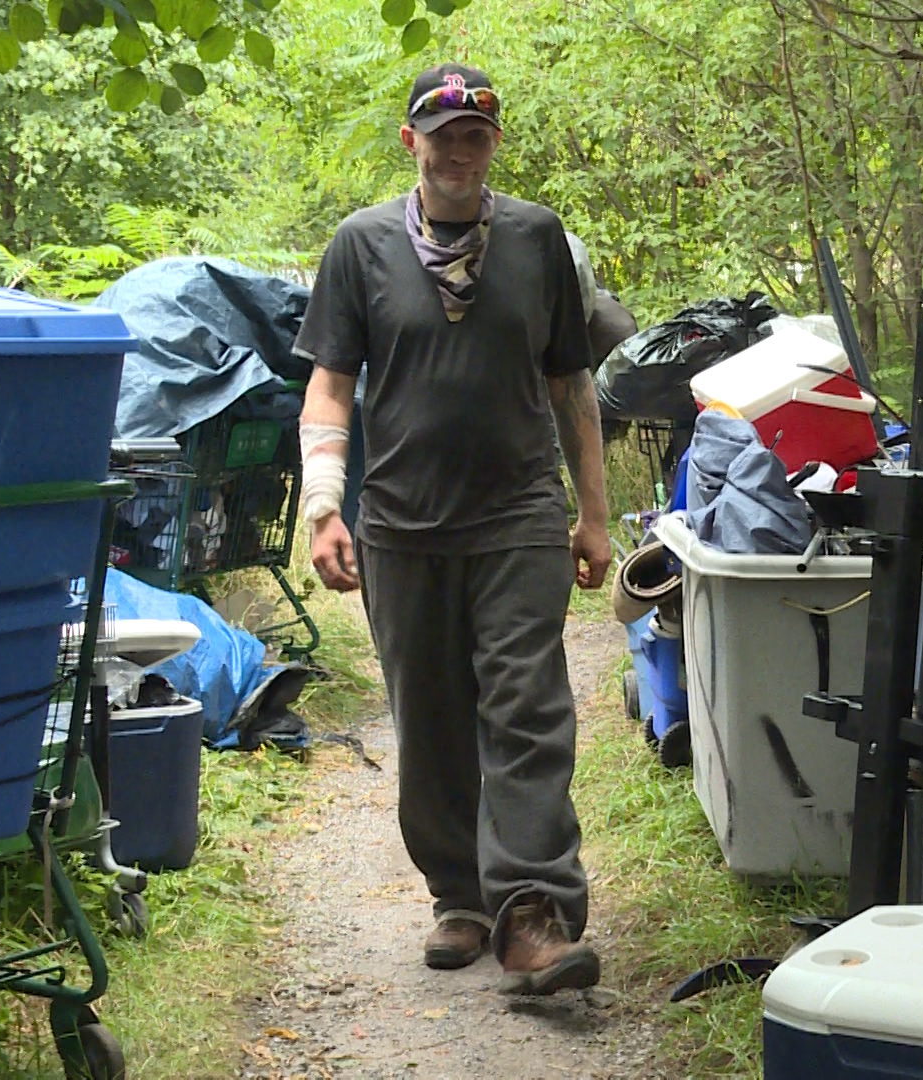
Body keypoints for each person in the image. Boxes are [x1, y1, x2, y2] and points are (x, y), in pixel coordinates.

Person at [292, 62, 612, 996]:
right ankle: (460, 898)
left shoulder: (538, 238)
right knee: (430, 720)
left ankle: (534, 912)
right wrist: (323, 505)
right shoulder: (360, 246)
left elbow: (571, 384)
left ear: (493, 144)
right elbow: (330, 385)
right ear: (412, 143)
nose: (460, 152)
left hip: (519, 518)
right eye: (443, 136)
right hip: (401, 524)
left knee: (526, 709)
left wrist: (594, 515)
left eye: (477, 135)